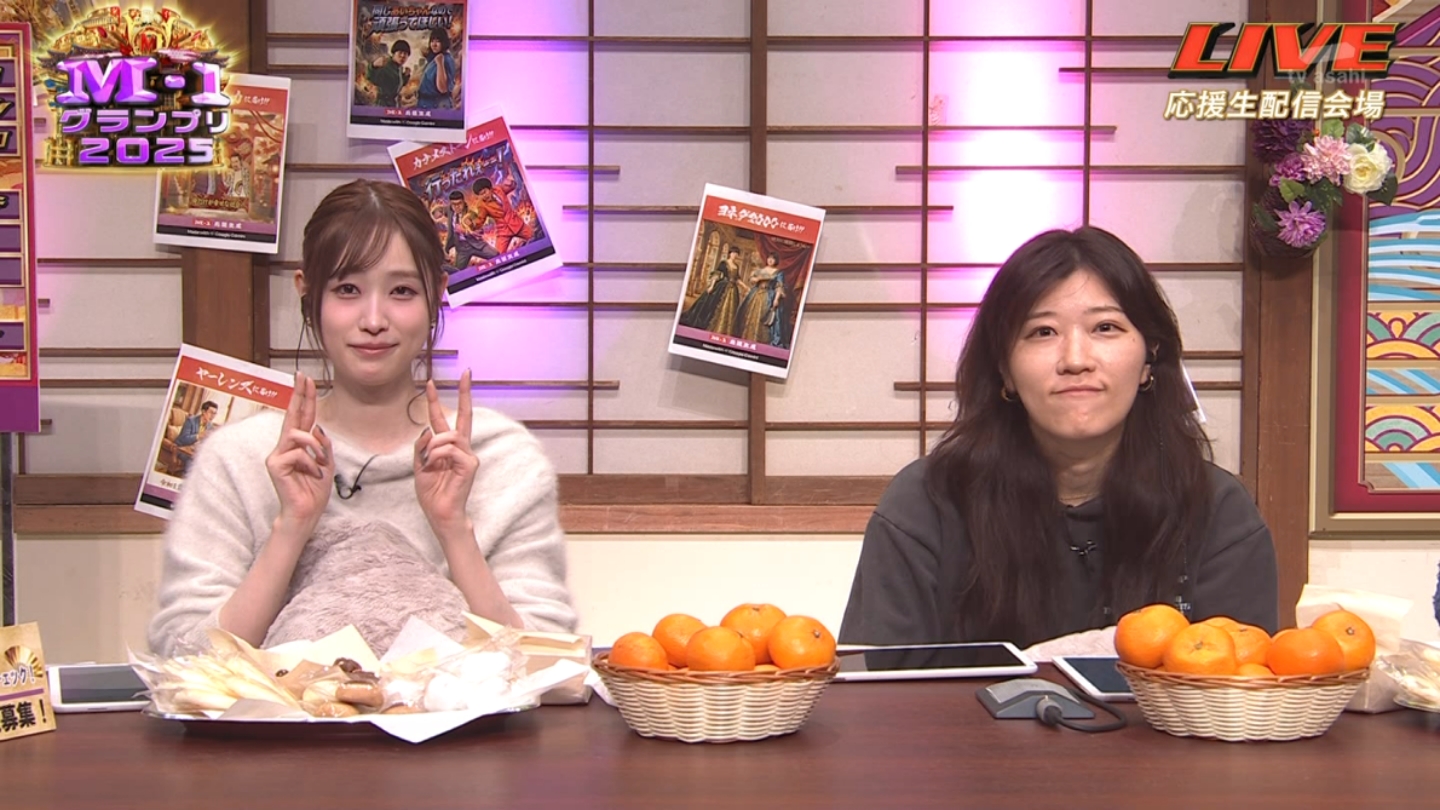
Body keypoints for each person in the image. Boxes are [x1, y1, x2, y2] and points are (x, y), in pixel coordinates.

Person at [147, 179, 576, 657]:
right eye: (348, 289)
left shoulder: (503, 458)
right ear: (308, 294)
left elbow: (550, 663)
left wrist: (455, 529)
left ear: (436, 294)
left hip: (463, 711)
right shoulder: (238, 458)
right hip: (283, 710)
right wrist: (292, 527)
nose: (374, 320)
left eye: (402, 291)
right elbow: (184, 658)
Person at [839, 226, 1278, 650]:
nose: (1075, 359)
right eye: (1042, 332)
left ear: (1149, 358)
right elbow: (878, 684)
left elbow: (1239, 682)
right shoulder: (926, 504)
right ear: (1005, 371)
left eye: (1105, 327)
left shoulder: (1217, 512)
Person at [173, 400, 218, 475]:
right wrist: (198, 436)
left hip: (194, 451)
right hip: (181, 449)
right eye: (211, 412)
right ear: (203, 411)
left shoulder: (210, 426)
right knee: (193, 462)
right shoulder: (190, 421)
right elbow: (183, 439)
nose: (213, 416)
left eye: (215, 413)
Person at [416, 27, 456, 110]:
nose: (434, 44)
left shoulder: (444, 59)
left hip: (436, 104)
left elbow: (443, 88)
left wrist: (440, 64)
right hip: (427, 103)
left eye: (438, 41)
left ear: (444, 42)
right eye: (432, 41)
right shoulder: (435, 57)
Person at [366, 39, 411, 108]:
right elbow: (371, 78)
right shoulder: (385, 64)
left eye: (405, 54)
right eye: (400, 52)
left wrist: (405, 76)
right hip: (382, 105)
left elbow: (395, 83)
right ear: (394, 53)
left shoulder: (399, 68)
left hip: (393, 104)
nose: (402, 56)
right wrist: (374, 66)